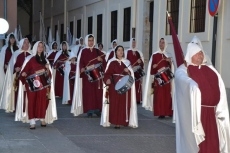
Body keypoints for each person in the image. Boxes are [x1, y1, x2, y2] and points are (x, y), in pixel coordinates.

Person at [174, 41, 230, 153]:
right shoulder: (184, 69)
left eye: (201, 53)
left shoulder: (210, 69)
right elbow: (181, 78)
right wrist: (192, 84)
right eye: (197, 53)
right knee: (201, 144)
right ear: (190, 55)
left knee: (213, 142)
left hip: (212, 113)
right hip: (197, 114)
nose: (201, 55)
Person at [15, 41, 57, 129]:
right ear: (35, 48)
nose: (40, 48)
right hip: (32, 84)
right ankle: (32, 121)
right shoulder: (30, 59)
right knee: (32, 101)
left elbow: (49, 74)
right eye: (39, 46)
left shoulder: (45, 60)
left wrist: (47, 70)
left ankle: (42, 118)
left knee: (42, 101)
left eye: (42, 46)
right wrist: (24, 74)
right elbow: (24, 71)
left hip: (43, 85)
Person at [100, 45, 138, 129]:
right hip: (114, 86)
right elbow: (107, 74)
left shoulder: (127, 62)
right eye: (119, 50)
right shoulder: (111, 62)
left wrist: (128, 71)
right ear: (116, 52)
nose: (121, 52)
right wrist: (107, 80)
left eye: (122, 50)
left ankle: (123, 121)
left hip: (125, 87)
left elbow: (131, 75)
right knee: (115, 104)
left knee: (123, 104)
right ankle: (116, 122)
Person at [71, 34, 106, 117]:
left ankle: (98, 109)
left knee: (97, 92)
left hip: (97, 76)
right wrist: (82, 68)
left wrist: (101, 59)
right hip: (87, 76)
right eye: (89, 40)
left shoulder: (97, 51)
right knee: (88, 92)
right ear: (87, 41)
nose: (91, 42)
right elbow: (80, 62)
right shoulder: (83, 51)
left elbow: (104, 60)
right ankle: (89, 109)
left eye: (92, 40)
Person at [142, 38, 174, 119]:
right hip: (158, 78)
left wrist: (170, 62)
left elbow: (172, 68)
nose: (161, 44)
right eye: (160, 42)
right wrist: (154, 67)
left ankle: (168, 111)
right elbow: (151, 70)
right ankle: (160, 112)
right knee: (159, 95)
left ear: (165, 44)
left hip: (166, 77)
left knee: (167, 94)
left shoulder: (168, 55)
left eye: (163, 43)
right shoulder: (155, 55)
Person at [0, 38, 31, 112]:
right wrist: (15, 68)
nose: (26, 44)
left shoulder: (32, 53)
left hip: (29, 77)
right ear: (21, 44)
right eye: (24, 43)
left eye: (27, 43)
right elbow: (11, 66)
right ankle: (18, 107)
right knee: (18, 93)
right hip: (18, 77)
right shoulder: (16, 53)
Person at [125, 38, 144, 104]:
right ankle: (130, 99)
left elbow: (142, 63)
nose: (133, 44)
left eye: (134, 43)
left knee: (137, 84)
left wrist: (140, 62)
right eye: (132, 42)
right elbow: (125, 61)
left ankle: (137, 99)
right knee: (130, 84)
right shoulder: (127, 51)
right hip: (130, 71)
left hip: (137, 72)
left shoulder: (139, 52)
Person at [0, 33, 18, 98]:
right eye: (11, 38)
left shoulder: (17, 48)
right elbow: (2, 59)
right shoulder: (5, 48)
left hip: (15, 69)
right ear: (8, 39)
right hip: (7, 69)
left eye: (13, 38)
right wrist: (4, 65)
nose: (12, 39)